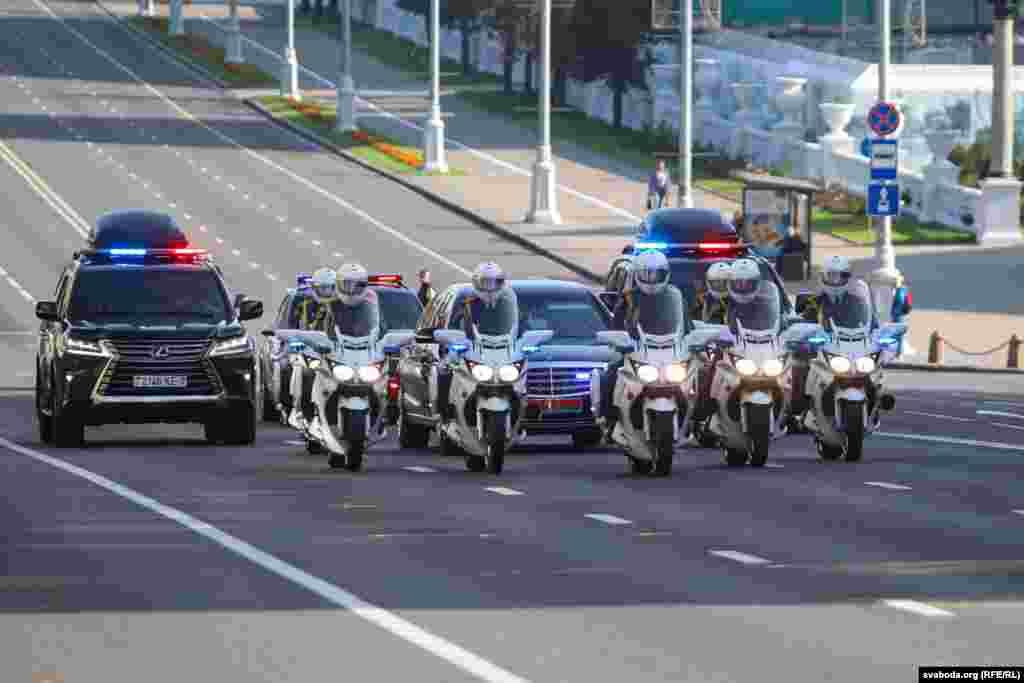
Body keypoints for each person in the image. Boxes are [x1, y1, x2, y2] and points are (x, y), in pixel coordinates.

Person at [601, 250, 687, 436]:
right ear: (637, 274)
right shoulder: (628, 297)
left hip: (668, 350)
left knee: (692, 374)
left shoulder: (674, 296)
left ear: (666, 274)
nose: (651, 279)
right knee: (611, 373)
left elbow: (685, 325)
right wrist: (619, 340)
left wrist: (691, 341)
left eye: (656, 275)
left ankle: (694, 420)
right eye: (646, 274)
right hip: (636, 349)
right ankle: (609, 418)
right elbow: (616, 324)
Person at [436, 262, 516, 422]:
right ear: (477, 282)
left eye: (494, 282)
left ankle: (521, 405)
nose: (490, 287)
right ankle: (444, 408)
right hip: (470, 347)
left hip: (501, 346)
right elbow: (452, 324)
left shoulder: (507, 301)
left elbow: (518, 322)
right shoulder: (467, 302)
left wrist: (522, 336)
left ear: (501, 282)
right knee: (443, 367)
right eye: (485, 282)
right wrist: (450, 340)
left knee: (519, 367)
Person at [800, 255, 878, 332]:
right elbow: (805, 322)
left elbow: (871, 321)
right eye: (830, 275)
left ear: (846, 276)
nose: (835, 280)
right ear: (823, 276)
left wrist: (876, 331)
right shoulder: (817, 299)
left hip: (856, 339)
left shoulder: (857, 299)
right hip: (826, 341)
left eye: (838, 276)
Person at [329, 263, 380, 340]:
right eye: (346, 285)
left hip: (367, 347)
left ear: (364, 286)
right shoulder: (330, 302)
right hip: (334, 347)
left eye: (357, 286)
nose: (351, 290)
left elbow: (380, 332)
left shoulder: (371, 301)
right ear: (338, 284)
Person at [288, 267, 337, 332]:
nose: (327, 292)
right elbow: (289, 328)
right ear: (314, 288)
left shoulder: (343, 304)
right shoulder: (302, 301)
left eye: (331, 287)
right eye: (322, 288)